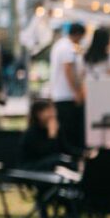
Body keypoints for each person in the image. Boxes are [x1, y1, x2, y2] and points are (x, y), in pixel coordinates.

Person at [49, 22, 86, 155]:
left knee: (66, 128)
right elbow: (68, 69)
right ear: (78, 35)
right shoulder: (67, 47)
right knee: (69, 129)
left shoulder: (61, 45)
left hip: (62, 94)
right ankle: (70, 154)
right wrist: (76, 91)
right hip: (66, 95)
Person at [19, 97, 68, 168]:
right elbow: (45, 153)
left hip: (49, 163)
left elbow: (65, 148)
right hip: (32, 166)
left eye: (53, 110)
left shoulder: (54, 128)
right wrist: (52, 136)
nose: (53, 114)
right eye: (49, 111)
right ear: (39, 114)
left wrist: (83, 153)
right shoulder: (31, 133)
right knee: (57, 160)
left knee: (69, 162)